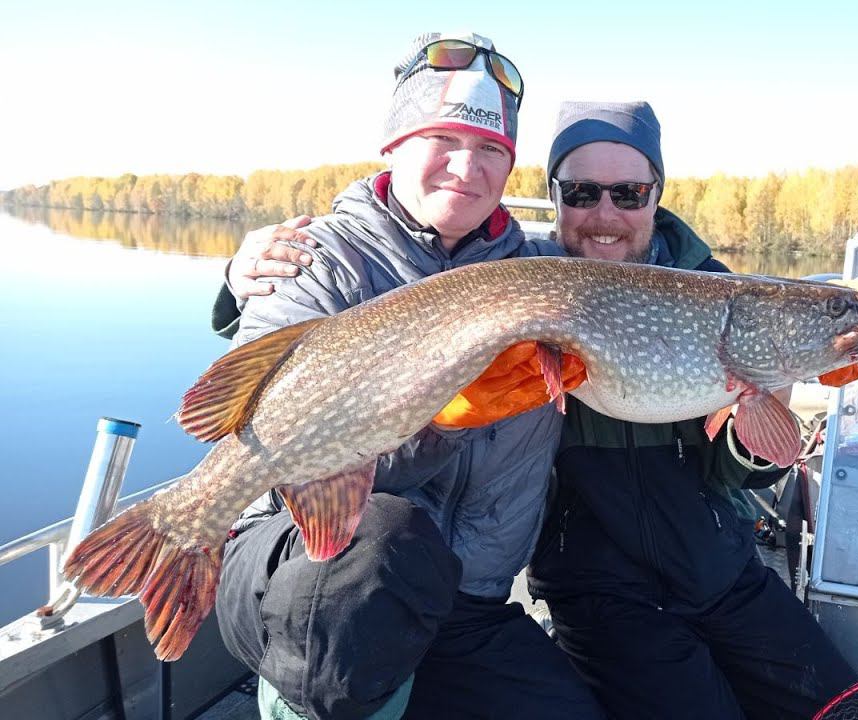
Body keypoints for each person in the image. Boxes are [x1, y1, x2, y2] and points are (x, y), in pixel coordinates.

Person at [209, 32, 603, 720]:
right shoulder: (312, 258)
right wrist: (439, 420)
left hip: (461, 606)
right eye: (443, 140)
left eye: (491, 151)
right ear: (394, 146)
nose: (466, 167)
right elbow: (276, 445)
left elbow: (637, 243)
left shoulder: (546, 276)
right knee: (378, 544)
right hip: (305, 570)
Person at [524, 101, 858, 719]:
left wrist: (772, 387)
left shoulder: (714, 288)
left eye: (628, 192)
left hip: (719, 570)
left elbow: (743, 474)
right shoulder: (522, 281)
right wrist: (294, 258)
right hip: (597, 586)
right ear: (554, 195)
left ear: (656, 194)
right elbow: (416, 278)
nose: (605, 215)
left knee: (850, 711)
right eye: (581, 191)